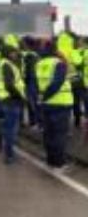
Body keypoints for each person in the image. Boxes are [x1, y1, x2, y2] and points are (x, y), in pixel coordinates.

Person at [36, 41, 73, 171]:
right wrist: (46, 96)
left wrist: (42, 97)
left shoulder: (39, 64)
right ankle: (60, 163)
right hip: (61, 103)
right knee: (59, 134)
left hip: (46, 104)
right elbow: (57, 83)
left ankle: (50, 161)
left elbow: (38, 83)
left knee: (49, 133)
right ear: (56, 50)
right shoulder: (59, 64)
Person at [0, 43, 26, 165]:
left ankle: (9, 154)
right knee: (11, 130)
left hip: (6, 99)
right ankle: (9, 156)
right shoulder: (7, 65)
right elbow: (9, 84)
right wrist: (20, 96)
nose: (15, 54)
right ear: (8, 53)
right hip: (11, 100)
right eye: (13, 52)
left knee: (8, 129)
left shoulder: (5, 64)